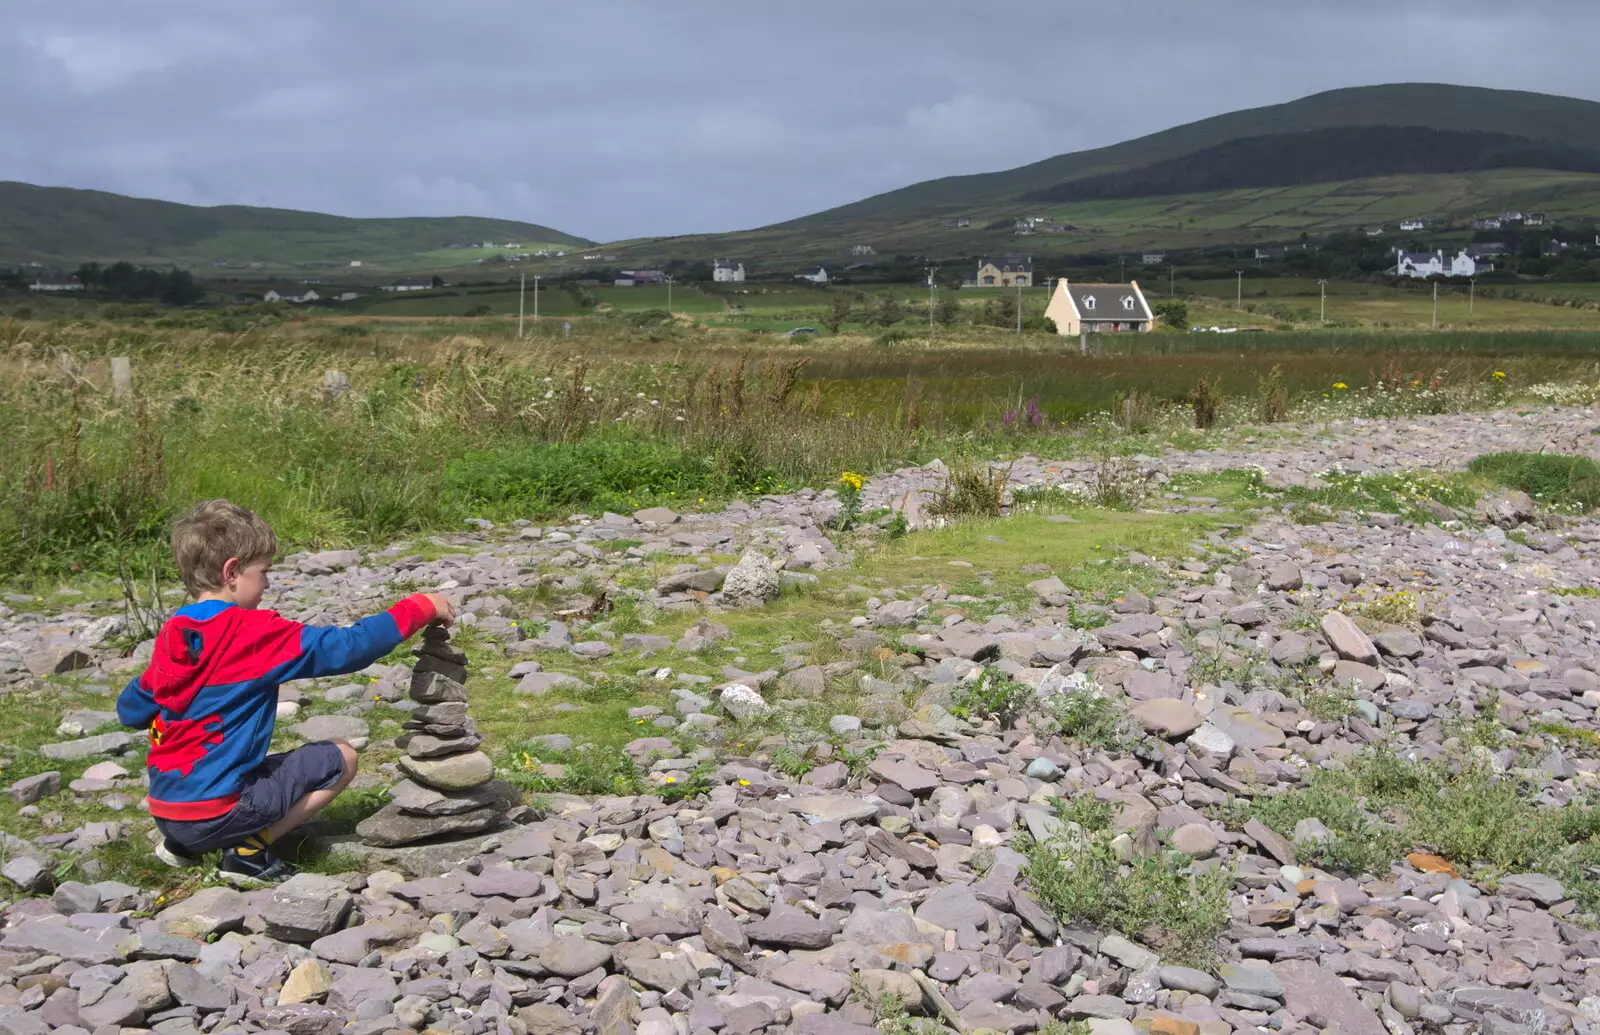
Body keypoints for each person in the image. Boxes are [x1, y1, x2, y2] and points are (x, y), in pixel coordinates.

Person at [117, 500, 453, 886]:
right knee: (340, 757)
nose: (268, 584)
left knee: (219, 761)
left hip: (168, 812)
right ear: (232, 572)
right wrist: (419, 606)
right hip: (218, 812)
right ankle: (247, 852)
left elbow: (130, 709)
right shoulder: (252, 632)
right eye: (263, 571)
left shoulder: (174, 632)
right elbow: (348, 647)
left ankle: (183, 845)